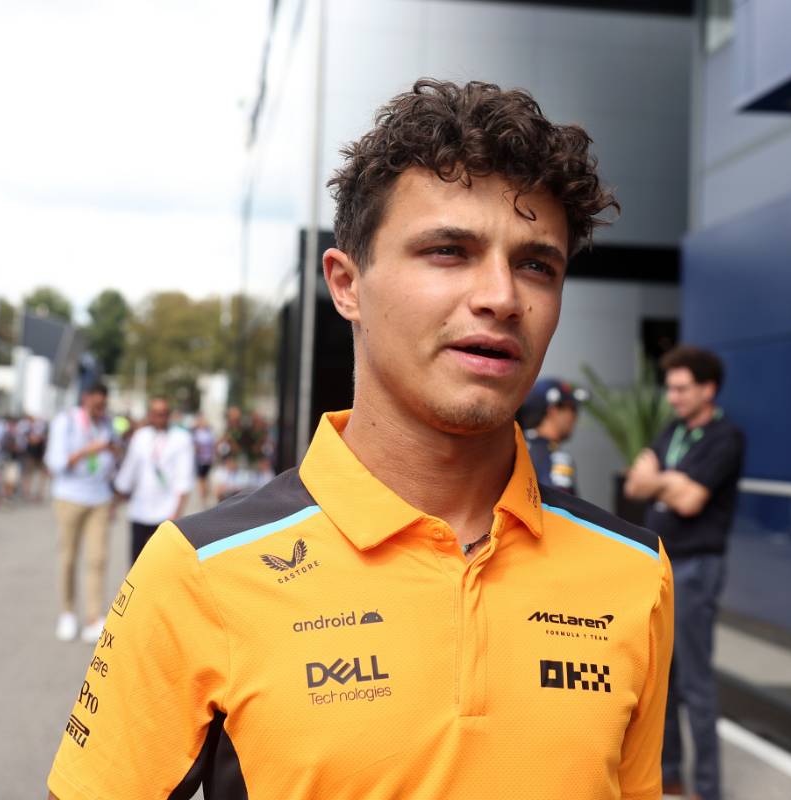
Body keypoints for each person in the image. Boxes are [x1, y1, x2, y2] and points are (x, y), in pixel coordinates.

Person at [47, 79, 673, 799]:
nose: (502, 297)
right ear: (346, 285)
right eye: (449, 250)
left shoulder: (635, 572)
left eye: (537, 264)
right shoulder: (199, 571)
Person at [624, 345, 744, 800]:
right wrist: (669, 483)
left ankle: (708, 789)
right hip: (661, 565)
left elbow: (692, 501)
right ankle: (670, 775)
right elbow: (634, 484)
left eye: (681, 388)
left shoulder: (725, 437)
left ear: (708, 389)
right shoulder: (671, 431)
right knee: (663, 678)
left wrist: (660, 480)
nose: (672, 397)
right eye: (670, 388)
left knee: (695, 681)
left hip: (697, 566)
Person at [45, 384, 118, 643]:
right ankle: (67, 612)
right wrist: (90, 450)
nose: (100, 410)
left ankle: (93, 616)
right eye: (96, 405)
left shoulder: (107, 424)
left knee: (97, 559)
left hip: (100, 497)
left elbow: (113, 459)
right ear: (85, 399)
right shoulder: (66, 422)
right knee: (68, 557)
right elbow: (56, 463)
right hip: (70, 497)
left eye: (103, 406)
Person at [113, 397, 194, 563]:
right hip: (140, 510)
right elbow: (129, 470)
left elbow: (184, 479)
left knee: (160, 566)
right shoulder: (141, 436)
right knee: (136, 565)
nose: (159, 418)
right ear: (149, 415)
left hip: (166, 512)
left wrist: (177, 513)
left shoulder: (181, 438)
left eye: (163, 413)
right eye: (155, 413)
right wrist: (116, 500)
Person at [517, 377, 587, 495]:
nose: (575, 417)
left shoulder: (516, 446)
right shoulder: (557, 458)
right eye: (572, 409)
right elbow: (562, 503)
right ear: (553, 411)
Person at [191, 415, 216, 505]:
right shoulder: (196, 432)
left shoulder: (209, 432)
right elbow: (194, 445)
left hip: (208, 458)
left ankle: (205, 495)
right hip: (200, 459)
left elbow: (213, 445)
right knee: (201, 478)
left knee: (205, 477)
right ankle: (203, 497)